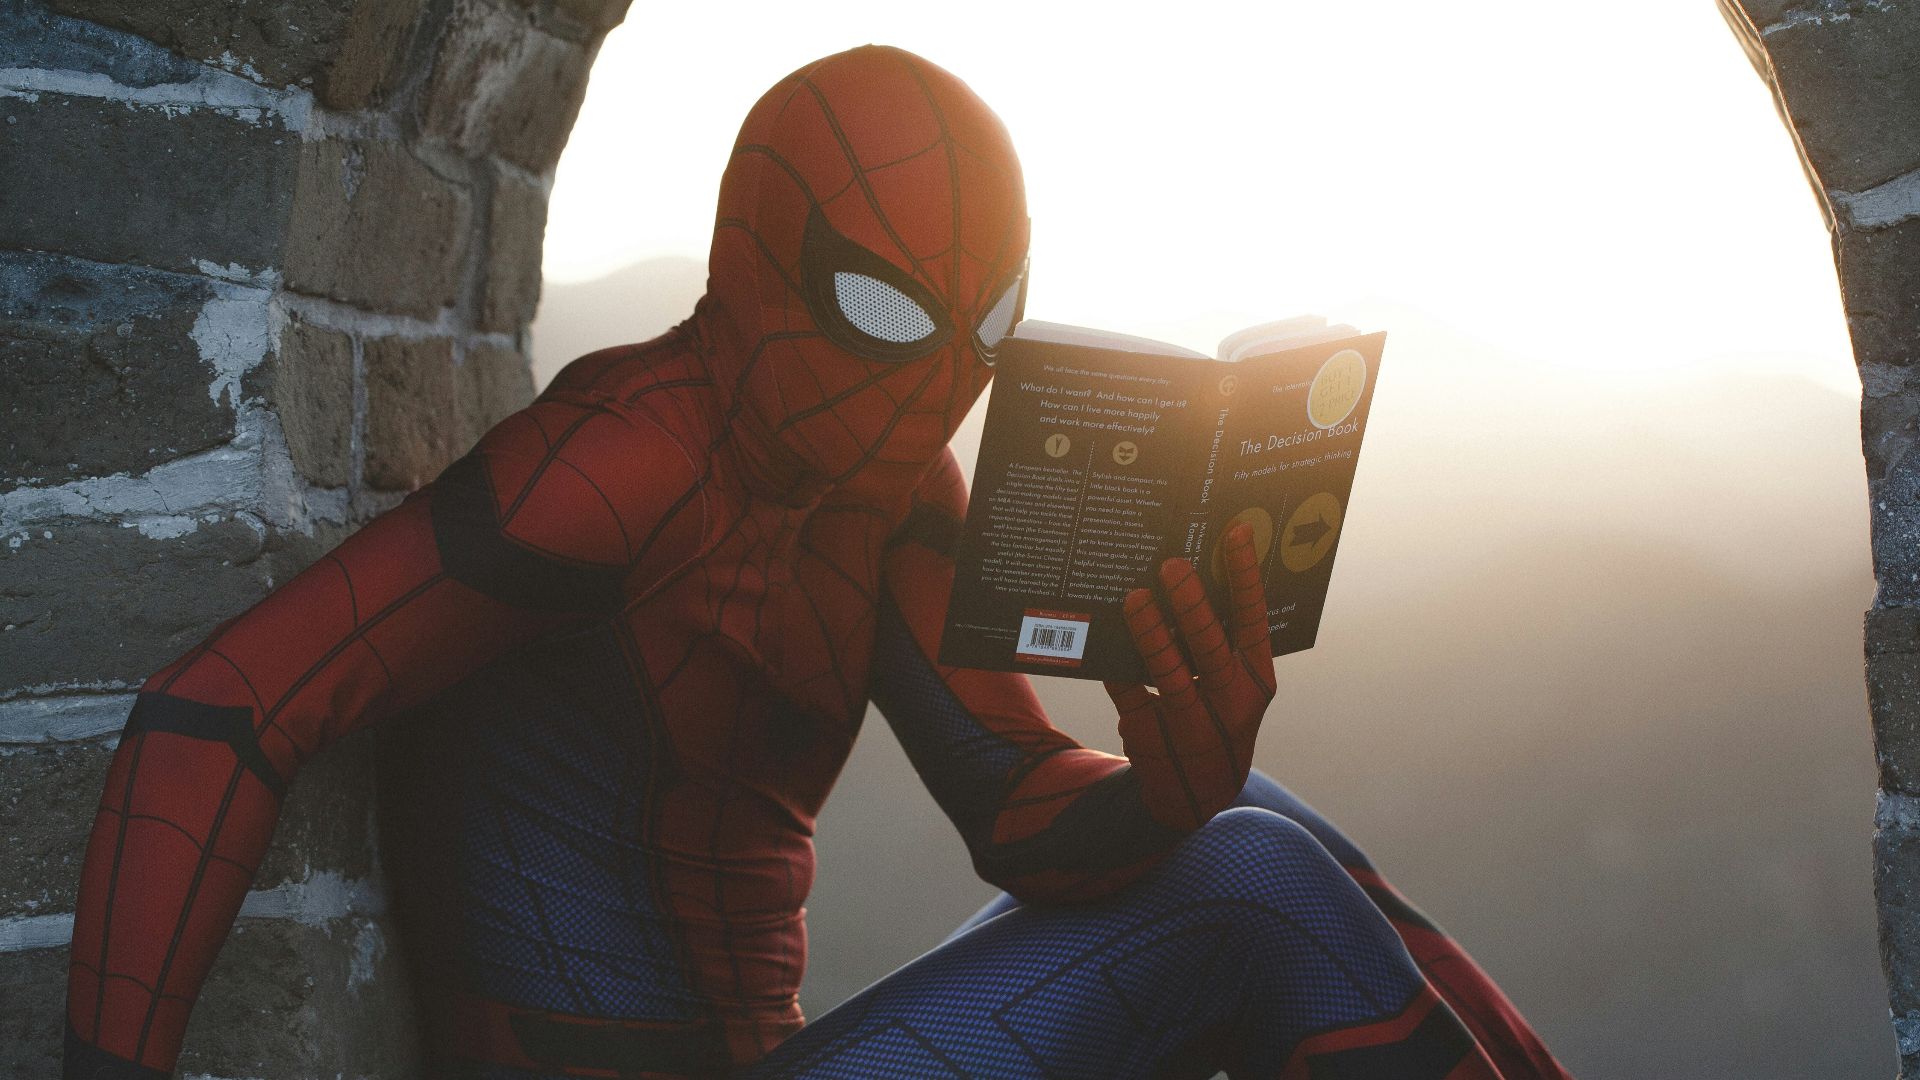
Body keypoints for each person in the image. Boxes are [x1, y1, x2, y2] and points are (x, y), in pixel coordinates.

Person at [63, 45, 1573, 1079]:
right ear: (754, 257)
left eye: (987, 326)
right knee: (1246, 877)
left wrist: (1175, 772)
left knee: (1249, 816)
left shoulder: (888, 485)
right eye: (886, 312)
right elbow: (227, 710)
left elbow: (1019, 801)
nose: (940, 384)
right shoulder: (626, 459)